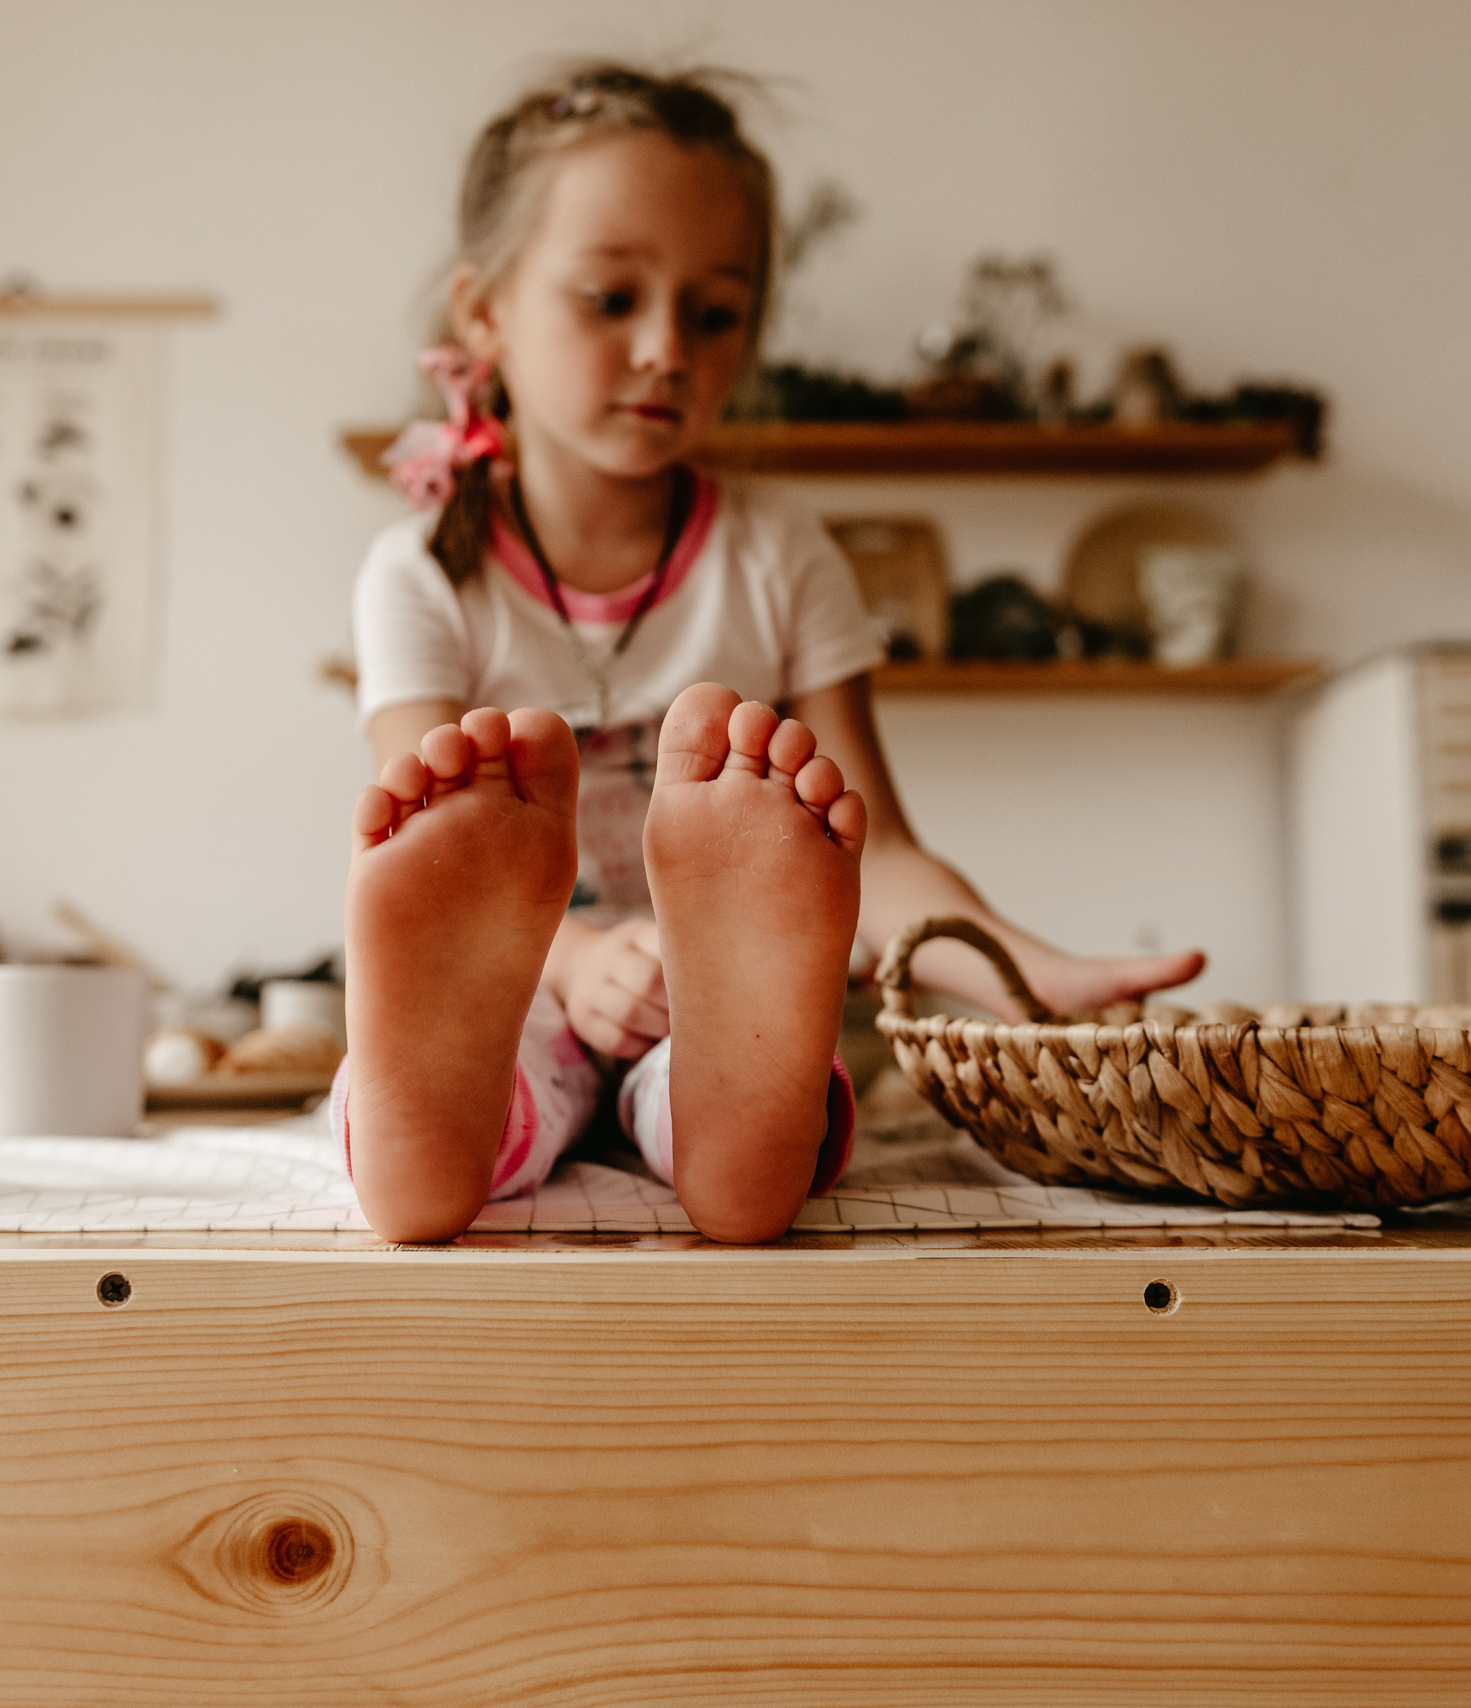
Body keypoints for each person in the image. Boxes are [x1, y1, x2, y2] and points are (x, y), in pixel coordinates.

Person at [337, 63, 1202, 1245]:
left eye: (713, 312)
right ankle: (439, 1131)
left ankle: (730, 1138)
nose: (665, 350)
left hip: (710, 1005)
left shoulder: (778, 552)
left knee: (748, 1056)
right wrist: (580, 958)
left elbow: (880, 850)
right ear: (481, 314)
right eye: (609, 298)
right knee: (484, 1032)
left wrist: (1022, 972)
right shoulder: (422, 572)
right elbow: (422, 830)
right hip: (520, 989)